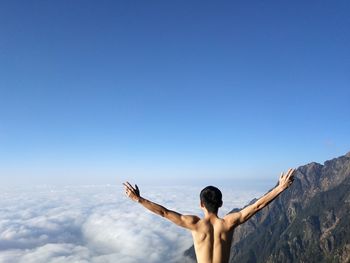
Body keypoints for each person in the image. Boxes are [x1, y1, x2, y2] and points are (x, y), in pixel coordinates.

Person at [123, 168, 295, 263]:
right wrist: (280, 187)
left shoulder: (194, 224)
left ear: (201, 204)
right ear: (220, 204)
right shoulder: (229, 223)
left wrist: (138, 199)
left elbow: (164, 212)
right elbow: (258, 205)